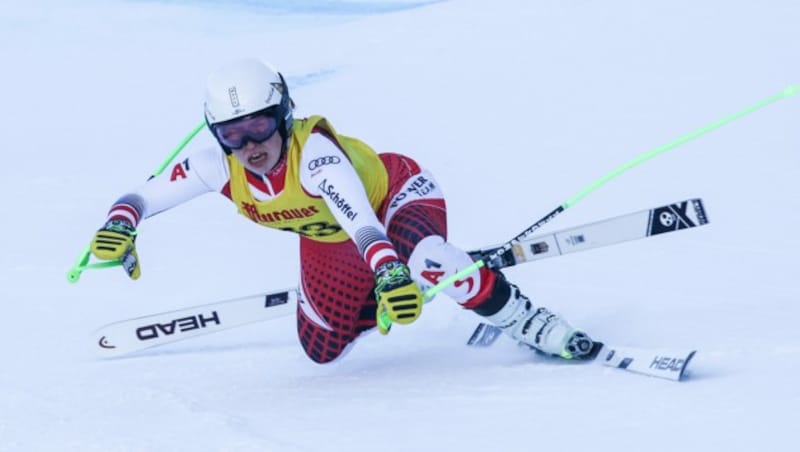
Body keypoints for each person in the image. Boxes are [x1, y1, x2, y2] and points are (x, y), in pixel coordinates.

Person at [90, 58, 596, 363]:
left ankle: (521, 316)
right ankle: (418, 274)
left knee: (425, 261)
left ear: (284, 113)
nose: (250, 145)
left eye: (260, 125)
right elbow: (142, 195)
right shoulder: (218, 166)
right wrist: (121, 225)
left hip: (396, 198)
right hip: (335, 240)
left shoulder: (315, 157)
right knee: (322, 349)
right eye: (232, 134)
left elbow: (363, 224)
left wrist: (391, 268)